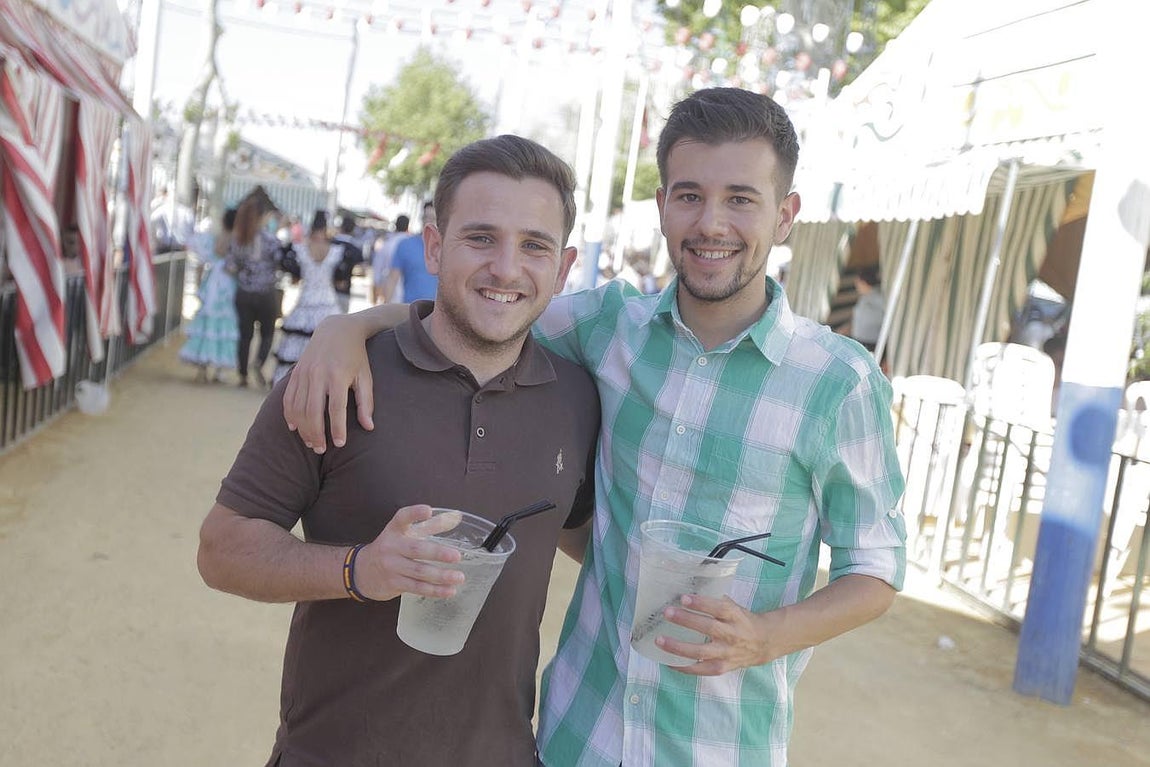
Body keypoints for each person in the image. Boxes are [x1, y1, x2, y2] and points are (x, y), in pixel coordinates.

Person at [282, 87, 907, 766]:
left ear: (785, 216)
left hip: (720, 745)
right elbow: (481, 309)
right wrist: (350, 326)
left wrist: (765, 636)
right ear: (664, 204)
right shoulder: (607, 326)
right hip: (576, 733)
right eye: (690, 195)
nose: (712, 223)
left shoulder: (838, 383)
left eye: (742, 199)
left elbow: (873, 569)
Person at [196, 134, 601, 767]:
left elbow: (579, 532)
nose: (506, 267)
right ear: (434, 247)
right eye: (481, 238)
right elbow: (221, 550)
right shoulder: (336, 380)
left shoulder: (578, 399)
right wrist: (360, 570)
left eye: (534, 245)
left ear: (565, 266)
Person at [271, 212, 343, 385]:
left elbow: (296, 280)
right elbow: (339, 281)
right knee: (326, 347)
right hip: (328, 304)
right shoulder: (336, 250)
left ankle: (288, 384)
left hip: (305, 301)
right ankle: (319, 385)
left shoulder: (301, 248)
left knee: (296, 347)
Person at [227, 193, 281, 389]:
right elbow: (279, 261)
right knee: (267, 333)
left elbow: (230, 266)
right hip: (266, 292)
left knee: (245, 335)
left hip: (244, 292)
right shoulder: (270, 239)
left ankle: (242, 374)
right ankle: (258, 362)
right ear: (262, 216)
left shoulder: (238, 239)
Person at [179, 207, 239, 383]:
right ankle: (219, 370)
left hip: (212, 282)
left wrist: (198, 285)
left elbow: (202, 262)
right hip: (227, 284)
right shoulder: (236, 241)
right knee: (224, 324)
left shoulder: (213, 239)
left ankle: (202, 367)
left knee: (207, 323)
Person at [383, 200, 437, 303]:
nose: (429, 222)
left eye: (433, 218)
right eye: (426, 217)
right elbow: (392, 279)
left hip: (438, 315)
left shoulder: (448, 249)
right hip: (410, 312)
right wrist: (385, 311)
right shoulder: (405, 245)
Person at [371, 213, 412, 304]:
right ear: (407, 226)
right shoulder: (412, 245)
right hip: (410, 295)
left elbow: (377, 268)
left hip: (389, 289)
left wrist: (376, 289)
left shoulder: (387, 244)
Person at [330, 215, 363, 313]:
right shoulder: (355, 248)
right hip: (344, 290)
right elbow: (360, 269)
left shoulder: (330, 244)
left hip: (325, 288)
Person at [850, 265, 886, 352]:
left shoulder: (878, 297)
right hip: (860, 342)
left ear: (863, 282)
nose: (856, 284)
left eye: (857, 281)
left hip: (872, 344)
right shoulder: (864, 298)